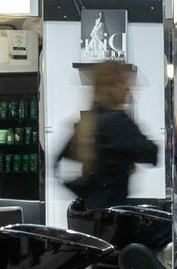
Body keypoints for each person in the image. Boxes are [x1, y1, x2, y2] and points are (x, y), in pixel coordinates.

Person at [57, 60, 161, 237]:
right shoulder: (117, 121)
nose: (129, 88)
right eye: (124, 82)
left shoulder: (87, 122)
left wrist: (86, 191)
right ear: (113, 86)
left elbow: (57, 164)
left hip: (92, 217)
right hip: (114, 221)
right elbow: (151, 153)